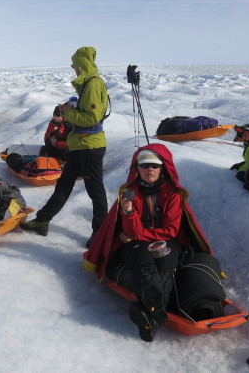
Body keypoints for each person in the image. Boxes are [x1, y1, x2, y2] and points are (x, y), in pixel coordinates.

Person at [83, 144, 213, 342]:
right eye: (144, 165)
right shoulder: (129, 193)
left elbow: (170, 230)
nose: (149, 169)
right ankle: (158, 314)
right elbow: (130, 231)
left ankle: (148, 314)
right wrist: (128, 212)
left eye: (154, 165)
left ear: (162, 168)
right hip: (136, 243)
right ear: (137, 169)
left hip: (163, 240)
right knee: (144, 261)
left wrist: (139, 235)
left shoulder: (173, 193)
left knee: (167, 262)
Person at [20, 47, 109, 246]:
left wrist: (68, 114)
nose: (72, 67)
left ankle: (100, 233)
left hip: (90, 146)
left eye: (75, 64)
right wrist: (70, 109)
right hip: (80, 145)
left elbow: (92, 118)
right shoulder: (87, 84)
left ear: (82, 64)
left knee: (95, 190)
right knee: (64, 184)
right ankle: (43, 220)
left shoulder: (93, 84)